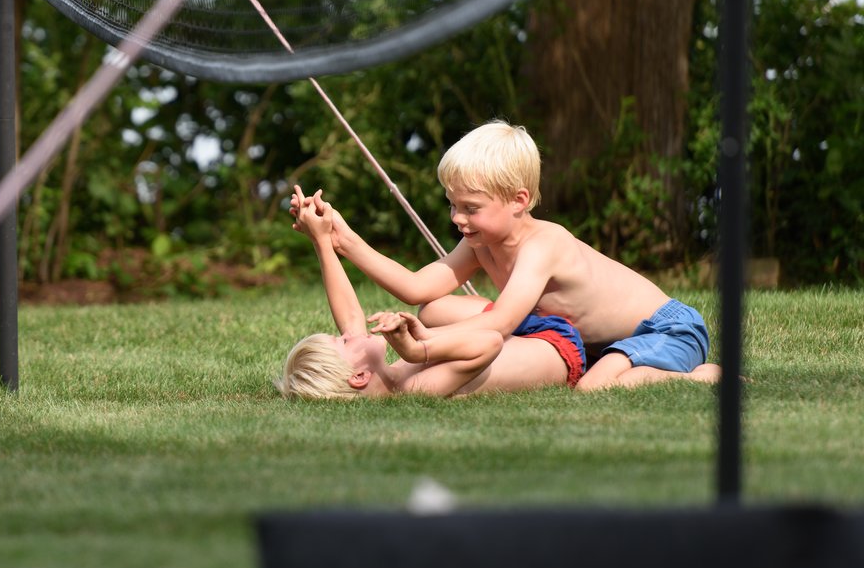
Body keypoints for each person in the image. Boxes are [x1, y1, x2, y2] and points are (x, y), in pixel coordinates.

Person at [293, 120, 721, 391]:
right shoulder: (481, 241)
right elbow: (415, 287)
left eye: (470, 207)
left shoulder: (542, 245)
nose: (458, 218)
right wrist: (340, 238)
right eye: (453, 205)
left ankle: (704, 377)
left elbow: (498, 325)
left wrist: (421, 344)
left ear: (517, 200)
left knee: (594, 389)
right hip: (590, 341)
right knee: (434, 305)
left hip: (663, 332)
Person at [277, 186, 585, 400]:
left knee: (434, 310)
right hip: (560, 349)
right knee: (435, 318)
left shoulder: (382, 374)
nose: (347, 331)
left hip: (525, 333)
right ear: (358, 377)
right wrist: (417, 349)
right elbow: (489, 341)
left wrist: (322, 240)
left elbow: (351, 315)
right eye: (343, 340)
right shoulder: (415, 388)